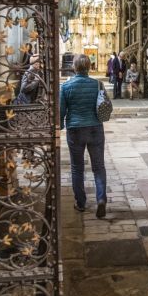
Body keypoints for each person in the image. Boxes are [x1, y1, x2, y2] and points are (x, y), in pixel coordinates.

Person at [59, 54, 107, 218]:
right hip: (95, 128)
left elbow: (61, 111)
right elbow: (104, 105)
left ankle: (80, 203)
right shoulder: (98, 84)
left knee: (77, 168)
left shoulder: (66, 86)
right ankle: (101, 199)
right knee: (99, 167)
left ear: (74, 67)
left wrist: (59, 126)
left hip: (75, 130)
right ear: (89, 67)